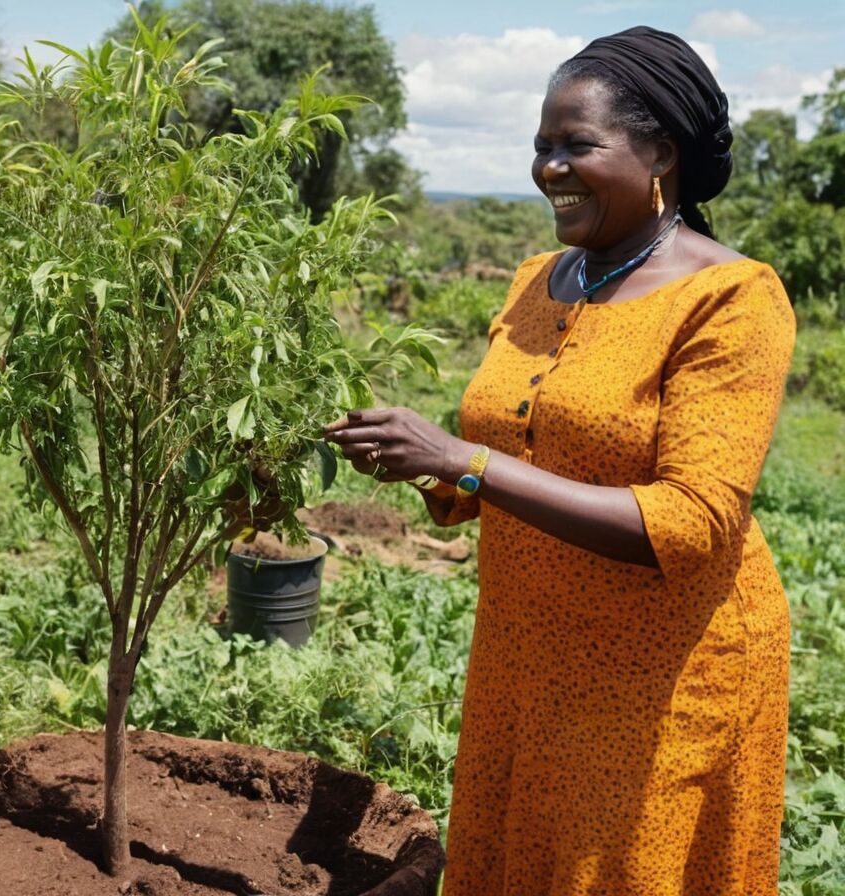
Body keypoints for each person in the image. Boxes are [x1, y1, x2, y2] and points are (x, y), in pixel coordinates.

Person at [325, 26, 795, 895]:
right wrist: (418, 459)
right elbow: (510, 450)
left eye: (577, 143)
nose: (550, 168)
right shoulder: (540, 278)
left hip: (657, 674)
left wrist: (462, 457)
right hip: (526, 651)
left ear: (660, 151)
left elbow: (691, 523)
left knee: (617, 870)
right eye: (541, 146)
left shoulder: (730, 297)